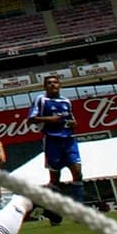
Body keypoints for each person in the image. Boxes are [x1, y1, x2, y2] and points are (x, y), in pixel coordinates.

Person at [27, 75, 85, 204]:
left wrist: (73, 124)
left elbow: (72, 120)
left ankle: (80, 207)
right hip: (52, 140)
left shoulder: (66, 101)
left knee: (77, 172)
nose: (52, 85)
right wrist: (50, 119)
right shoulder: (41, 100)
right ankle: (53, 210)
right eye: (49, 83)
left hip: (69, 139)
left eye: (55, 82)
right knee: (55, 178)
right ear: (44, 86)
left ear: (60, 85)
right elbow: (31, 119)